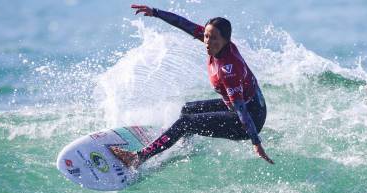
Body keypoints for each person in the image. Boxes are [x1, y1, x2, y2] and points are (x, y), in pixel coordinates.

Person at [110, 4, 274, 168]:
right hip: (249, 104)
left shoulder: (228, 69)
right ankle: (181, 145)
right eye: (206, 36)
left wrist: (256, 142)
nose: (207, 42)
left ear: (225, 40)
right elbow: (183, 24)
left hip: (249, 119)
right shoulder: (219, 45)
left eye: (213, 38)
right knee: (187, 110)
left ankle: (138, 157)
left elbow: (240, 109)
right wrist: (155, 12)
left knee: (186, 122)